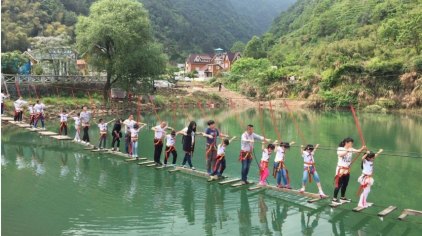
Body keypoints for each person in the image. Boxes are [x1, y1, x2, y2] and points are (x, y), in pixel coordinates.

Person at [333, 137, 366, 203]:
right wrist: (348, 150)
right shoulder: (340, 149)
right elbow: (341, 155)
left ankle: (342, 197)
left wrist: (362, 148)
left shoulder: (351, 149)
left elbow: (358, 151)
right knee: (338, 185)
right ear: (346, 143)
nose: (352, 144)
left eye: (352, 143)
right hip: (341, 170)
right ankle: (334, 198)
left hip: (347, 170)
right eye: (351, 143)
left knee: (345, 184)